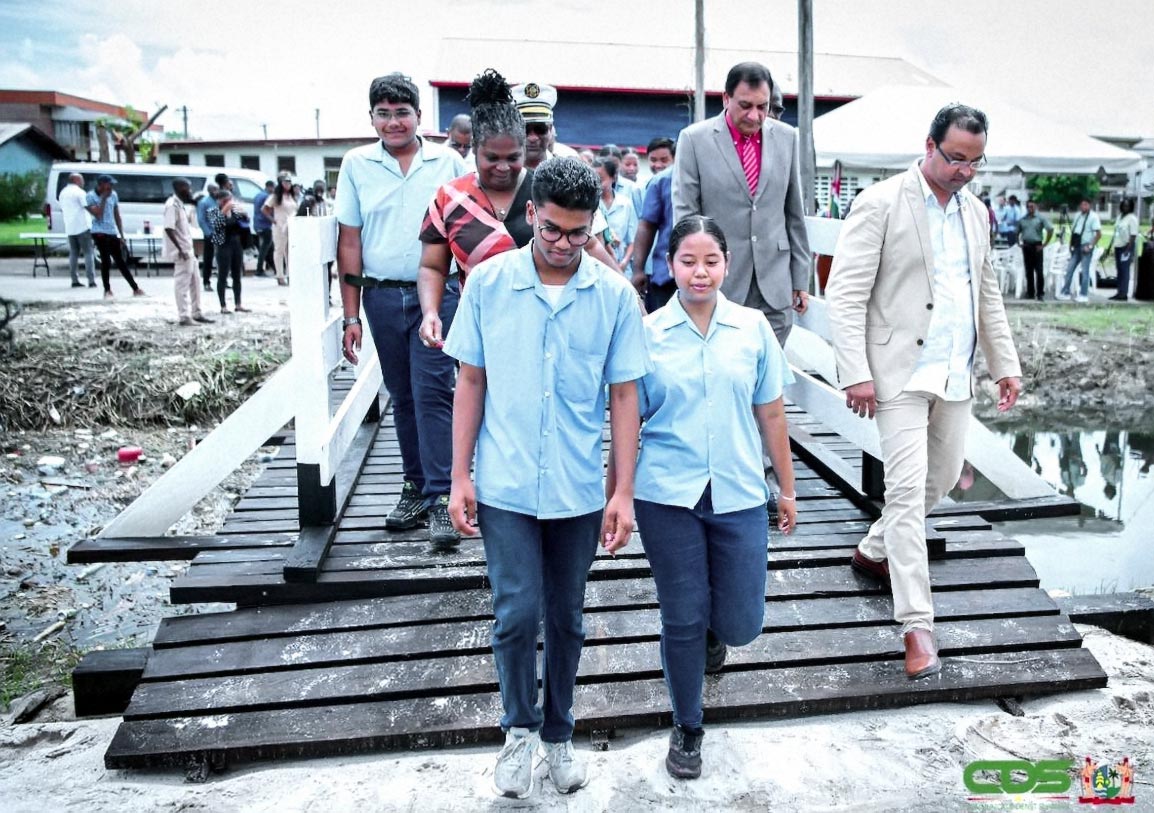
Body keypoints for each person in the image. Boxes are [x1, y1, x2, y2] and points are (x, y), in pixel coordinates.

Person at [442, 157, 650, 800]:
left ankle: (559, 732)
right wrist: (458, 477)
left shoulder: (614, 297)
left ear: (595, 227)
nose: (563, 244)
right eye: (553, 229)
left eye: (579, 233)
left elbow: (622, 397)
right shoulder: (489, 283)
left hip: (578, 485)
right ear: (530, 213)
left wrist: (621, 490)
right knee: (515, 612)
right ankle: (518, 731)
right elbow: (470, 381)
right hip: (504, 480)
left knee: (565, 615)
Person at [825, 103, 1023, 680]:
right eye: (956, 157)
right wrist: (854, 370)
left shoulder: (979, 215)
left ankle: (873, 548)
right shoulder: (881, 202)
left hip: (955, 373)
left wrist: (1002, 364)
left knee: (940, 480)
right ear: (930, 145)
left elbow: (988, 297)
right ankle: (917, 627)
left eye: (975, 162)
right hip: (897, 373)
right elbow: (846, 294)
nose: (964, 170)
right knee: (908, 494)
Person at [627, 215, 796, 779]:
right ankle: (687, 724)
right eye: (687, 261)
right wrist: (620, 495)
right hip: (666, 494)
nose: (700, 272)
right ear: (669, 266)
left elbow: (770, 411)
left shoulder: (752, 330)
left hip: (740, 489)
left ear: (727, 264)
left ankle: (712, 636)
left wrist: (787, 487)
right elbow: (628, 420)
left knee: (742, 622)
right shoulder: (647, 334)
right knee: (681, 613)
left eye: (711, 261)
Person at [338, 72, 467, 545]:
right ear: (371, 117)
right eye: (383, 113)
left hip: (439, 293)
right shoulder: (356, 164)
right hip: (381, 296)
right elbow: (349, 241)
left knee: (434, 389)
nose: (393, 122)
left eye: (402, 112)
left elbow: (468, 227)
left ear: (418, 116)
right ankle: (415, 485)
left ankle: (440, 497)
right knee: (403, 394)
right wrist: (351, 314)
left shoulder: (447, 160)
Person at [418, 70, 624, 341]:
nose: (503, 167)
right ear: (474, 148)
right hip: (481, 332)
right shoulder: (450, 198)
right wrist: (430, 312)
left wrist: (630, 299)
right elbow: (433, 266)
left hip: (557, 331)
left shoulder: (552, 188)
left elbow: (593, 246)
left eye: (513, 157)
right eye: (491, 157)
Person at [673, 61, 811, 348]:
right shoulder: (694, 140)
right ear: (726, 98)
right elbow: (685, 216)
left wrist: (800, 278)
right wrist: (693, 270)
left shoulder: (787, 138)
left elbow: (794, 212)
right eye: (746, 105)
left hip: (775, 285)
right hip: (721, 283)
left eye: (763, 106)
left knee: (769, 379)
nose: (755, 115)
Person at [632, 143, 678, 311]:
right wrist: (638, 270)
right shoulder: (662, 181)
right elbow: (646, 226)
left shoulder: (717, 179)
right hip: (665, 276)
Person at [163, 178, 213, 326]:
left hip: (188, 249)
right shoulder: (172, 205)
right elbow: (169, 228)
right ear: (180, 188)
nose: (190, 191)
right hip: (182, 251)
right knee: (182, 284)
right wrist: (180, 249)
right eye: (188, 188)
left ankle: (196, 312)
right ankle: (184, 316)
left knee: (195, 282)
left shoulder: (181, 205)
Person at [85, 174, 143, 299]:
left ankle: (135, 288)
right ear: (101, 185)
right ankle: (107, 290)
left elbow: (117, 215)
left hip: (111, 231)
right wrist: (104, 198)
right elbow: (98, 215)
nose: (111, 187)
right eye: (108, 184)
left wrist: (121, 234)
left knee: (120, 261)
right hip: (99, 231)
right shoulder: (90, 196)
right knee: (106, 261)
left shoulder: (114, 195)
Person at [206, 190, 251, 314]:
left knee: (237, 275)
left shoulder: (235, 211)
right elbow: (216, 225)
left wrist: (245, 215)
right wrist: (224, 210)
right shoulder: (213, 211)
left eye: (229, 200)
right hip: (223, 244)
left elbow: (245, 224)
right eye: (225, 201)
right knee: (223, 275)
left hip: (236, 243)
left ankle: (238, 303)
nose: (228, 203)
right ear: (219, 201)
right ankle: (223, 305)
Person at [593, 157, 638, 271]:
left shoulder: (625, 204)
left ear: (613, 178)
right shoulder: (590, 204)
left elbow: (632, 240)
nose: (596, 183)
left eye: (600, 179)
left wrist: (624, 262)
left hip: (622, 265)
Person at [1060, 197, 1102, 303]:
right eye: (1082, 204)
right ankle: (1065, 291)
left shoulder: (1093, 217)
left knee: (1085, 270)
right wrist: (1071, 244)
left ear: (1089, 205)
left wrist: (1090, 246)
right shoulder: (1078, 215)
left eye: (1086, 205)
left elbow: (1098, 234)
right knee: (1070, 268)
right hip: (1077, 245)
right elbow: (1074, 231)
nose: (1083, 207)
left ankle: (1083, 294)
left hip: (1086, 245)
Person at [58, 173, 95, 288]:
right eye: (82, 180)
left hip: (70, 227)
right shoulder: (79, 193)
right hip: (83, 226)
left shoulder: (63, 193)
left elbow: (61, 208)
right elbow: (88, 207)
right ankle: (91, 280)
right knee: (88, 252)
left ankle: (74, 279)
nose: (83, 182)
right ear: (76, 180)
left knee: (74, 253)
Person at [262, 173, 299, 286]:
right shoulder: (276, 196)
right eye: (285, 182)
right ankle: (280, 275)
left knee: (290, 251)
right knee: (279, 250)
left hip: (291, 225)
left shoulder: (291, 196)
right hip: (280, 225)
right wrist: (273, 220)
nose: (288, 184)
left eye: (289, 182)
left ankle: (290, 274)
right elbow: (265, 209)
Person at [1017, 199, 1053, 301]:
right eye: (1028, 207)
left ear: (1035, 207)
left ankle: (1040, 293)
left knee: (1039, 270)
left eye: (1032, 207)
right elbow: (1017, 231)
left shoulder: (1040, 218)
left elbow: (1050, 229)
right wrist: (1018, 242)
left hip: (1037, 246)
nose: (1030, 209)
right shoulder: (1023, 219)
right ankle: (1030, 292)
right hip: (1026, 245)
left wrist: (1045, 244)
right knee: (1029, 271)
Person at [1109, 198, 1139, 301]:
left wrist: (1128, 250)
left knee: (1125, 270)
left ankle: (1124, 294)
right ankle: (1119, 292)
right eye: (1124, 205)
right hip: (1118, 246)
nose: (1125, 207)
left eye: (1127, 206)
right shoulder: (1119, 217)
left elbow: (1133, 235)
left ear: (1131, 207)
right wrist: (1110, 246)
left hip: (1126, 247)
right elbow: (1116, 231)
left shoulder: (1132, 218)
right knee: (1119, 271)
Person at [196, 182, 219, 291]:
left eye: (217, 189)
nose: (216, 192)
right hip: (210, 233)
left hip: (220, 232)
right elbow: (201, 220)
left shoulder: (218, 201)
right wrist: (208, 233)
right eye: (214, 190)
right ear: (210, 191)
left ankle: (222, 281)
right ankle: (206, 282)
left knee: (221, 258)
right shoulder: (204, 202)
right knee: (208, 259)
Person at [252, 180, 275, 277]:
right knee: (265, 249)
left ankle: (275, 268)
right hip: (265, 225)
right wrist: (274, 219)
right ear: (269, 187)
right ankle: (259, 270)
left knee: (269, 247)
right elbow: (268, 210)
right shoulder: (267, 197)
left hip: (257, 224)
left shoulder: (258, 195)